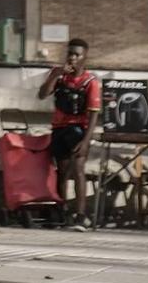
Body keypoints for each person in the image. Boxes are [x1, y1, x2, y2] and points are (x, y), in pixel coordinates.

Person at [37, 38, 101, 230]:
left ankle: (81, 215)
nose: (72, 58)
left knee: (78, 171)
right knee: (62, 172)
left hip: (78, 130)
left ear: (84, 57)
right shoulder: (60, 76)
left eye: (77, 55)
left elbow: (94, 114)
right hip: (59, 129)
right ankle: (63, 213)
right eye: (70, 53)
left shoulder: (90, 81)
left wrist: (86, 140)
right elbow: (42, 95)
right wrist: (54, 76)